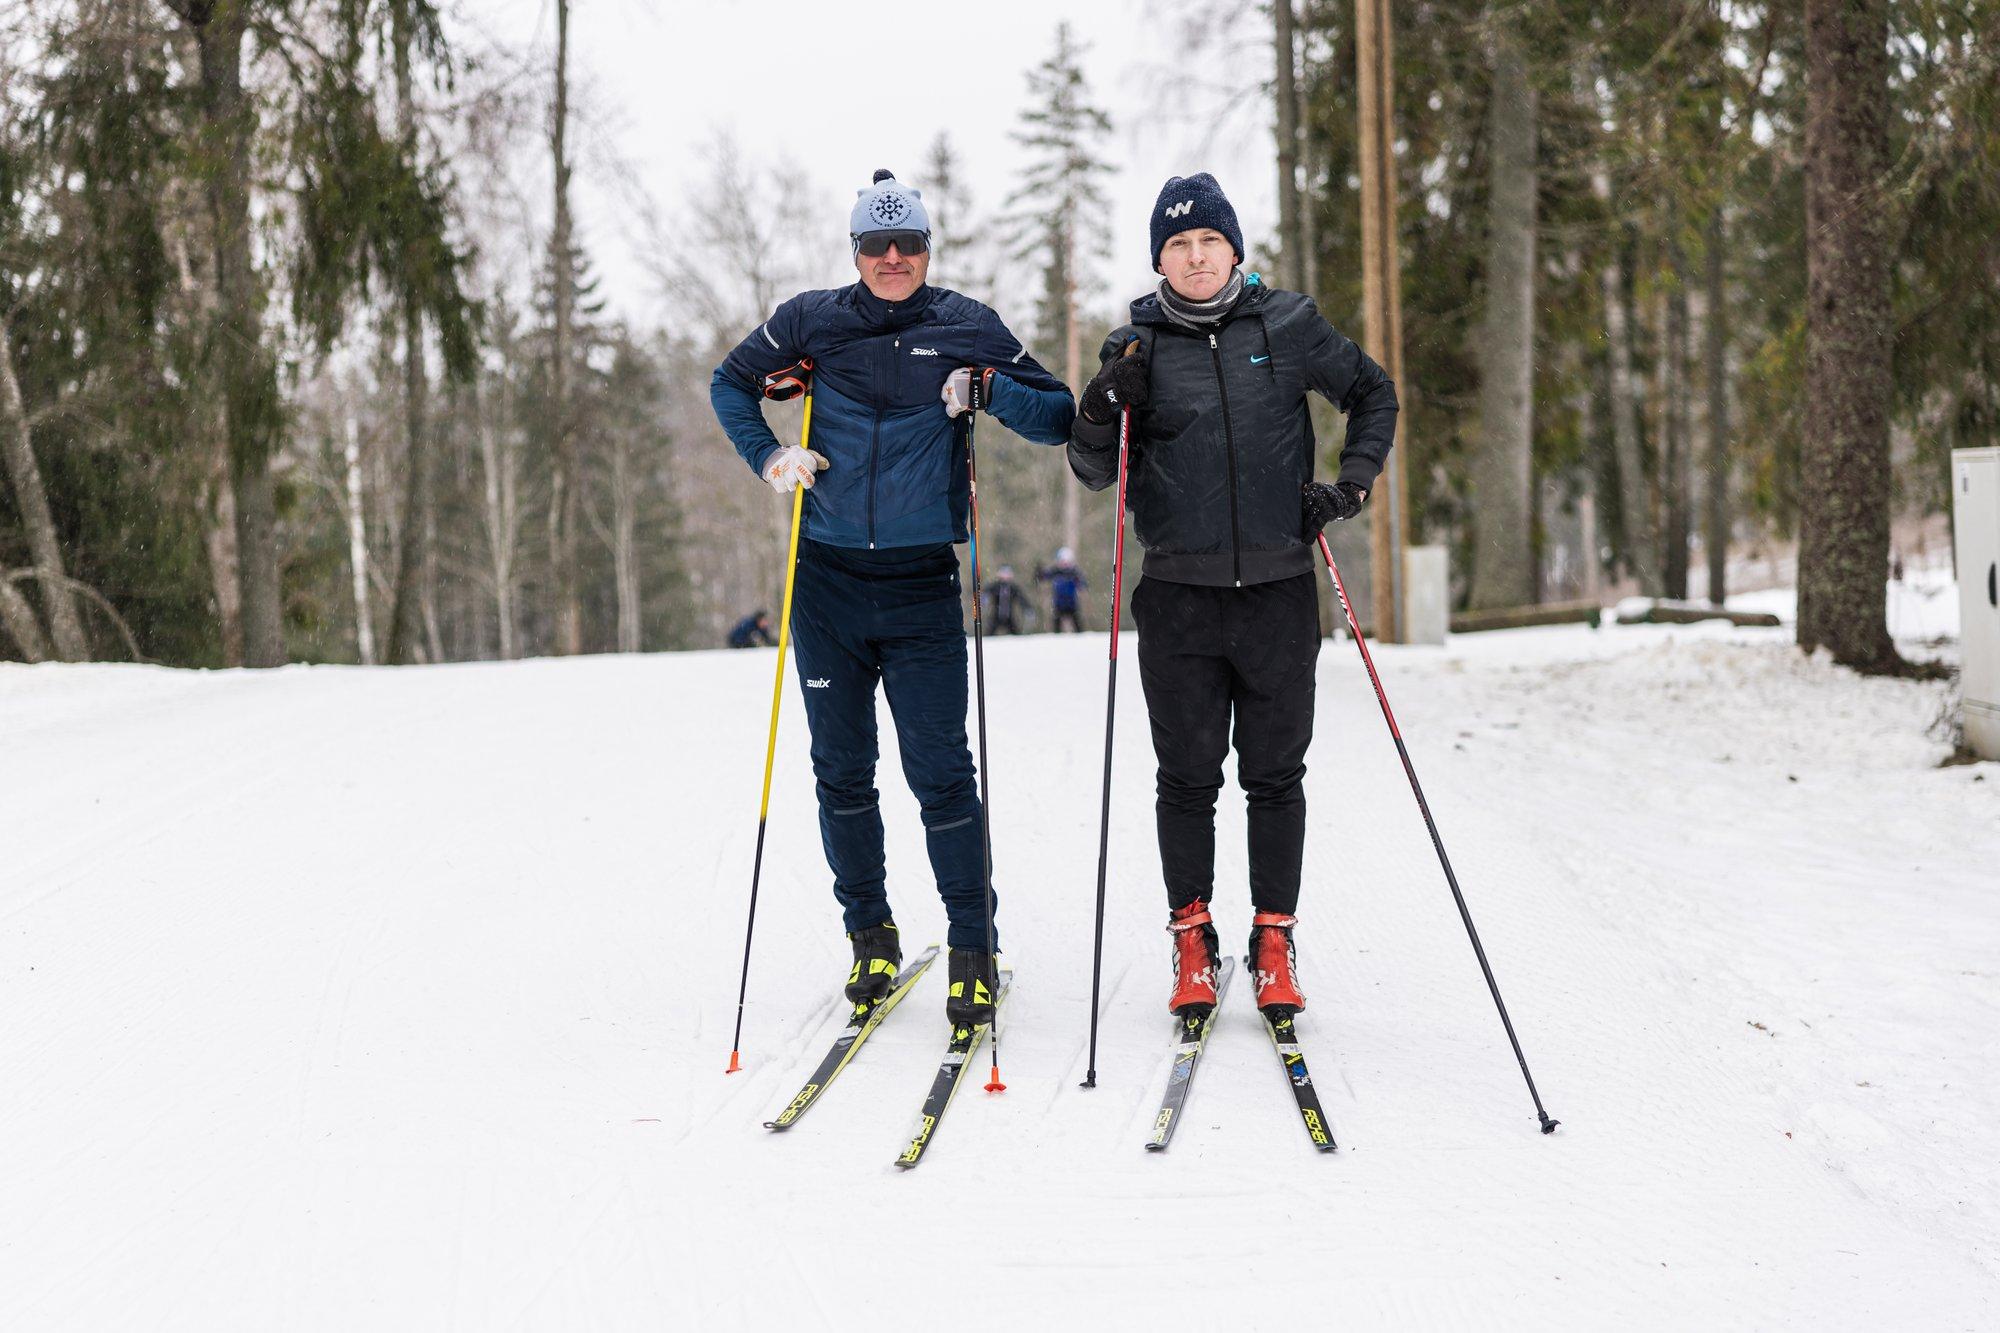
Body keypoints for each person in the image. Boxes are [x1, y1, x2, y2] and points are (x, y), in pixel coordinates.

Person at [711, 170, 1075, 1025]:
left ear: (927, 249)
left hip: (919, 588)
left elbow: (1059, 413)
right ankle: (869, 937)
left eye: (909, 242)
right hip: (827, 585)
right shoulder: (811, 321)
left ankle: (972, 947)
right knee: (842, 773)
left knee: (942, 774)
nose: (893, 258)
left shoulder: (965, 325)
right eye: (877, 245)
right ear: (855, 251)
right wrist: (770, 456)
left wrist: (985, 391)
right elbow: (731, 380)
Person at [1066, 173, 1397, 1018]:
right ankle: (1192, 940)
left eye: (1209, 240)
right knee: (1185, 778)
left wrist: (1349, 487)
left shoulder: (1287, 325)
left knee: (1276, 774)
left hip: (1280, 596)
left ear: (1235, 249)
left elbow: (1373, 393)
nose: (1196, 255)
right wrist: (1103, 403)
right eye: (1178, 245)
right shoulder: (1133, 347)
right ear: (1160, 261)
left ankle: (1275, 940)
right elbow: (1094, 469)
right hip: (1178, 600)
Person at [1036, 547, 1088, 632]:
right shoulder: (1055, 571)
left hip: (1072, 603)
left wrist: (1081, 585)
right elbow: (1043, 576)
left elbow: (1083, 583)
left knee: (1078, 626)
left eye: (1066, 561)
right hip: (1059, 603)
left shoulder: (1074, 572)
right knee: (1057, 626)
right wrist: (1039, 573)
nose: (1064, 563)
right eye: (1062, 561)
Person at [986, 566, 1026, 634]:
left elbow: (1021, 599)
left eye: (1007, 574)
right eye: (1004, 574)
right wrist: (984, 599)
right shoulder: (995, 586)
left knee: (1016, 634)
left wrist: (1027, 608)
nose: (1005, 576)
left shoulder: (1013, 588)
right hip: (996, 615)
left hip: (1009, 616)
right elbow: (986, 592)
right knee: (990, 633)